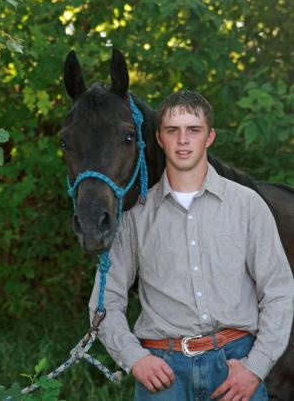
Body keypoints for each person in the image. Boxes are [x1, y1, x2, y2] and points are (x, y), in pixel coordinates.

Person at [89, 90, 294, 401]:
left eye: (193, 130)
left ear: (209, 137)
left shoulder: (247, 205)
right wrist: (134, 358)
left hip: (235, 366)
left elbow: (278, 291)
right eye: (173, 130)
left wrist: (256, 367)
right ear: (158, 138)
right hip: (162, 371)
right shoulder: (135, 218)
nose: (183, 140)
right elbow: (104, 303)